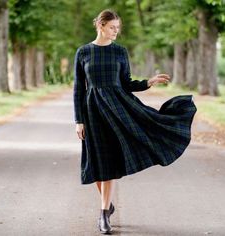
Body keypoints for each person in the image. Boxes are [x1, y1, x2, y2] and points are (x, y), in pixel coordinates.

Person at [73, 9, 197, 234]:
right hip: (92, 113)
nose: (116, 32)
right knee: (97, 164)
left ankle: (103, 216)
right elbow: (78, 90)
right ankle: (106, 204)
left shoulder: (120, 52)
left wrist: (148, 82)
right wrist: (78, 120)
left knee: (108, 163)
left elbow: (126, 83)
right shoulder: (83, 52)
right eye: (112, 28)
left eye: (118, 28)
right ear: (101, 25)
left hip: (119, 110)